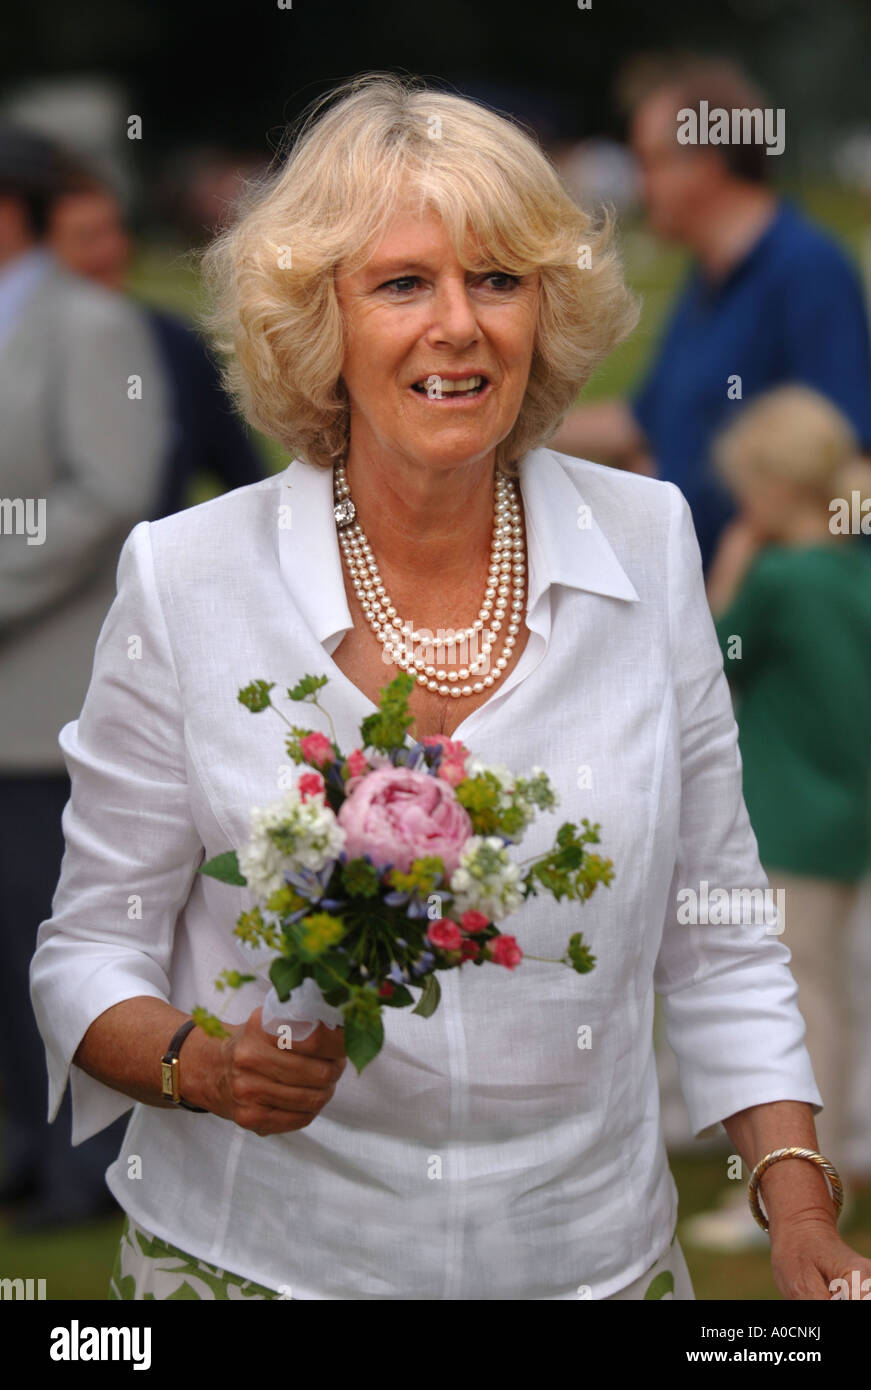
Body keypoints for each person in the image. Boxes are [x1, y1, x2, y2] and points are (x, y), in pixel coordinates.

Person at [30, 74, 871, 1301]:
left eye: (497, 279)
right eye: (401, 282)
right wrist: (200, 1066)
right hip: (260, 1264)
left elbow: (721, 938)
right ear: (319, 321)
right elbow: (87, 950)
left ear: (548, 309)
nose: (458, 325)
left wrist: (796, 1206)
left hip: (594, 1266)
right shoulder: (187, 577)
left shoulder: (648, 541)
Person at [0, 122, 170, 1228]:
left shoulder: (92, 320)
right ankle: (24, 1143)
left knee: (61, 940)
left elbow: (111, 491)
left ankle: (91, 1170)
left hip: (49, 698)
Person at [549, 58, 871, 574]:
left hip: (766, 625)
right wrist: (507, 427)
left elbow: (847, 464)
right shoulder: (708, 277)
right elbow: (641, 424)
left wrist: (744, 576)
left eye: (649, 161)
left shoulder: (809, 270)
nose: (638, 185)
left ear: (704, 166)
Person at [682, 386, 871, 1251]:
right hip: (845, 816)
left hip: (786, 826)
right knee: (830, 996)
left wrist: (732, 555)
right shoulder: (852, 569)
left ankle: (799, 1191)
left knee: (795, 1009)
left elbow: (705, 653)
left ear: (765, 490)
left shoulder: (782, 579)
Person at [47, 172, 267, 518]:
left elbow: (247, 483)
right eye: (86, 238)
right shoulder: (21, 356)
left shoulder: (174, 345)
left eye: (115, 230)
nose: (110, 250)